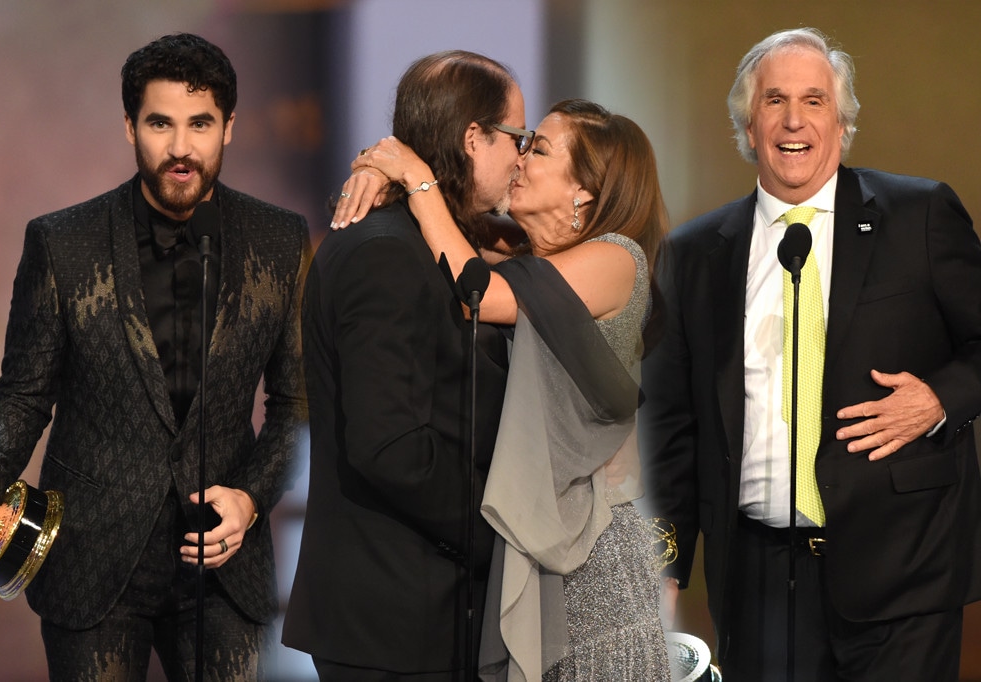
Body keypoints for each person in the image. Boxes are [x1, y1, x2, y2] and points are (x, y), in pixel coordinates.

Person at [0, 33, 310, 680]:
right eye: (160, 123)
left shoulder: (279, 241)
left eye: (200, 123)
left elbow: (296, 404)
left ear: (229, 127)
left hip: (222, 564)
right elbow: (26, 390)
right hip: (90, 555)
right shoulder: (62, 243)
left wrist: (252, 498)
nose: (181, 147)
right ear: (129, 126)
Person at [639, 27, 981, 681]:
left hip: (903, 569)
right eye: (774, 101)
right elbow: (671, 430)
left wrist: (940, 400)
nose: (794, 121)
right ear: (748, 121)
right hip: (757, 578)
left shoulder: (920, 216)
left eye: (814, 101)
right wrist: (665, 567)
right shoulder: (694, 254)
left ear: (843, 122)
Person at [336, 98, 673, 681]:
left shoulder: (618, 258)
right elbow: (460, 238)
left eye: (538, 147)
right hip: (537, 542)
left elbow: (479, 294)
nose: (519, 158)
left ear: (584, 193)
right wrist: (378, 169)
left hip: (593, 556)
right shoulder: (526, 258)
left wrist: (416, 176)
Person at [280, 50, 518, 680]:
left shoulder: (437, 242)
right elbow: (390, 445)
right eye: (516, 138)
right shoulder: (383, 253)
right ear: (475, 138)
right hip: (392, 618)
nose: (521, 158)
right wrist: (504, 533)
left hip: (428, 608)